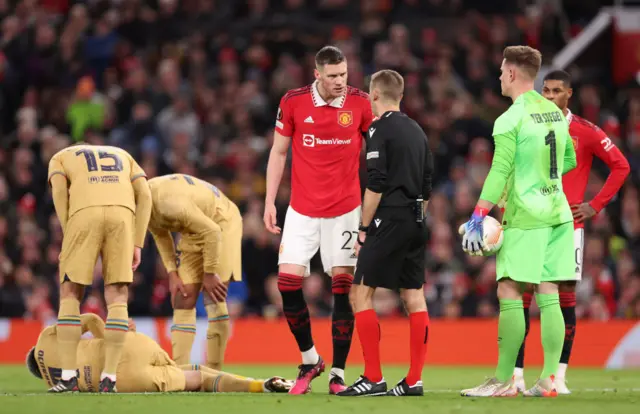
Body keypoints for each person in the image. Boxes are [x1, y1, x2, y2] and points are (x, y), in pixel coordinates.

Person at [459, 46, 577, 398]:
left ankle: (503, 381)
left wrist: (480, 212)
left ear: (511, 73)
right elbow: (567, 159)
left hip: (527, 216)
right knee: (549, 293)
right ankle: (549, 380)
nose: (498, 76)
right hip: (559, 214)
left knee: (509, 289)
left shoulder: (509, 119)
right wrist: (541, 177)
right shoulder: (555, 113)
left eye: (500, 71)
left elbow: (498, 170)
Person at [263, 45, 374, 394]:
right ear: (317, 75)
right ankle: (311, 359)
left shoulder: (361, 103)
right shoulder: (293, 101)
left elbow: (377, 154)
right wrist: (269, 201)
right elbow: (279, 151)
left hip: (345, 210)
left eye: (343, 74)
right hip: (301, 210)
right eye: (332, 76)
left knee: (343, 288)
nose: (340, 81)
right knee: (287, 282)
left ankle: (338, 372)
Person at [514, 70, 630, 394]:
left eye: (556, 91)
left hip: (568, 226)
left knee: (565, 300)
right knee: (521, 297)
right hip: (531, 223)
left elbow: (621, 166)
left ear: (569, 94)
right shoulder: (529, 125)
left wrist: (595, 205)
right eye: (545, 90)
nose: (549, 96)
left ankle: (557, 377)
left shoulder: (586, 131)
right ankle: (516, 377)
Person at [336, 70, 432, 397]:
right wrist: (416, 219)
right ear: (400, 96)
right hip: (418, 219)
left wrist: (363, 228)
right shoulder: (418, 130)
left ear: (373, 95)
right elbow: (428, 182)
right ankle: (414, 380)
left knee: (360, 292)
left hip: (389, 218)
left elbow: (376, 182)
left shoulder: (378, 128)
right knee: (413, 295)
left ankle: (373, 377)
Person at [47, 143, 152, 393]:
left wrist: (67, 230)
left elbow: (60, 193)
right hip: (122, 215)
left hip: (84, 213)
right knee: (117, 296)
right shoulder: (124, 154)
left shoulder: (60, 157)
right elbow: (146, 195)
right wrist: (138, 242)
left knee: (70, 292)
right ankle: (110, 378)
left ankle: (69, 377)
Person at [26, 313, 293, 394]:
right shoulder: (44, 338)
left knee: (195, 380)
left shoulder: (57, 386)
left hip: (126, 383)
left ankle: (261, 386)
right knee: (195, 370)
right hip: (131, 347)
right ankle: (257, 383)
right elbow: (90, 319)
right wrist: (110, 337)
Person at [147, 174, 242, 370]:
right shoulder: (144, 203)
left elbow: (212, 231)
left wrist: (209, 273)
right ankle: (180, 371)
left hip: (222, 222)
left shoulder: (169, 204)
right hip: (194, 229)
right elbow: (160, 234)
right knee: (184, 296)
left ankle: (214, 370)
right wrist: (172, 273)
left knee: (213, 297)